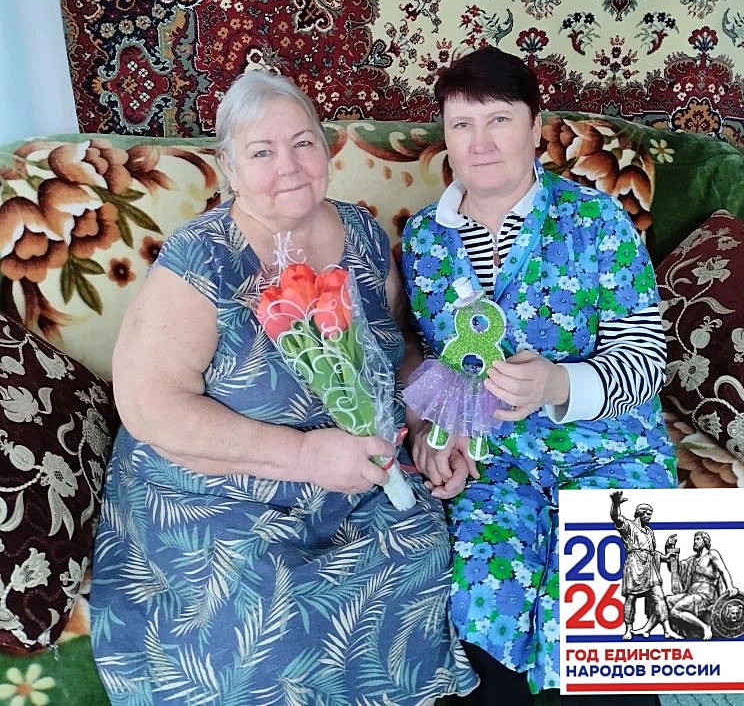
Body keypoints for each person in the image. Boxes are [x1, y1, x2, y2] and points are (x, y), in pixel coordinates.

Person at [90, 71, 477, 705]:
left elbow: (399, 347)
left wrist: (429, 424)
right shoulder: (202, 258)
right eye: (262, 151)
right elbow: (148, 406)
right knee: (267, 631)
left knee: (425, 559)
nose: (289, 166)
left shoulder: (361, 234)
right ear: (229, 167)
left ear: (325, 147)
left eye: (302, 143)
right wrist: (303, 456)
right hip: (220, 490)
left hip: (357, 477)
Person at [399, 46, 677, 706]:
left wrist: (557, 385)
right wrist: (439, 433)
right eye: (462, 124)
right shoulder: (424, 241)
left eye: (499, 119)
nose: (481, 142)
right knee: (478, 627)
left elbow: (647, 358)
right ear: (446, 137)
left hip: (613, 455)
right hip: (497, 467)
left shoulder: (597, 221)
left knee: (620, 641)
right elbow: (439, 363)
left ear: (534, 126)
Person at [609, 492, 679, 640]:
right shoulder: (629, 526)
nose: (649, 517)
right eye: (647, 514)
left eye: (651, 514)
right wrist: (615, 504)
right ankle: (628, 629)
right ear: (640, 513)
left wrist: (666, 557)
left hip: (650, 567)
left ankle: (667, 629)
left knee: (660, 597)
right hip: (634, 565)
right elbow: (616, 517)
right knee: (631, 598)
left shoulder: (649, 532)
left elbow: (653, 552)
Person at [666, 531, 738, 640]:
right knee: (666, 601)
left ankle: (705, 627)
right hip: (691, 593)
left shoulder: (711, 554)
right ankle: (671, 631)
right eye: (694, 539)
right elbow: (674, 569)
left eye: (698, 539)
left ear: (705, 541)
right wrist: (669, 548)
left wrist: (730, 586)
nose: (695, 542)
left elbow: (723, 571)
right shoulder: (691, 560)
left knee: (675, 611)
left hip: (705, 596)